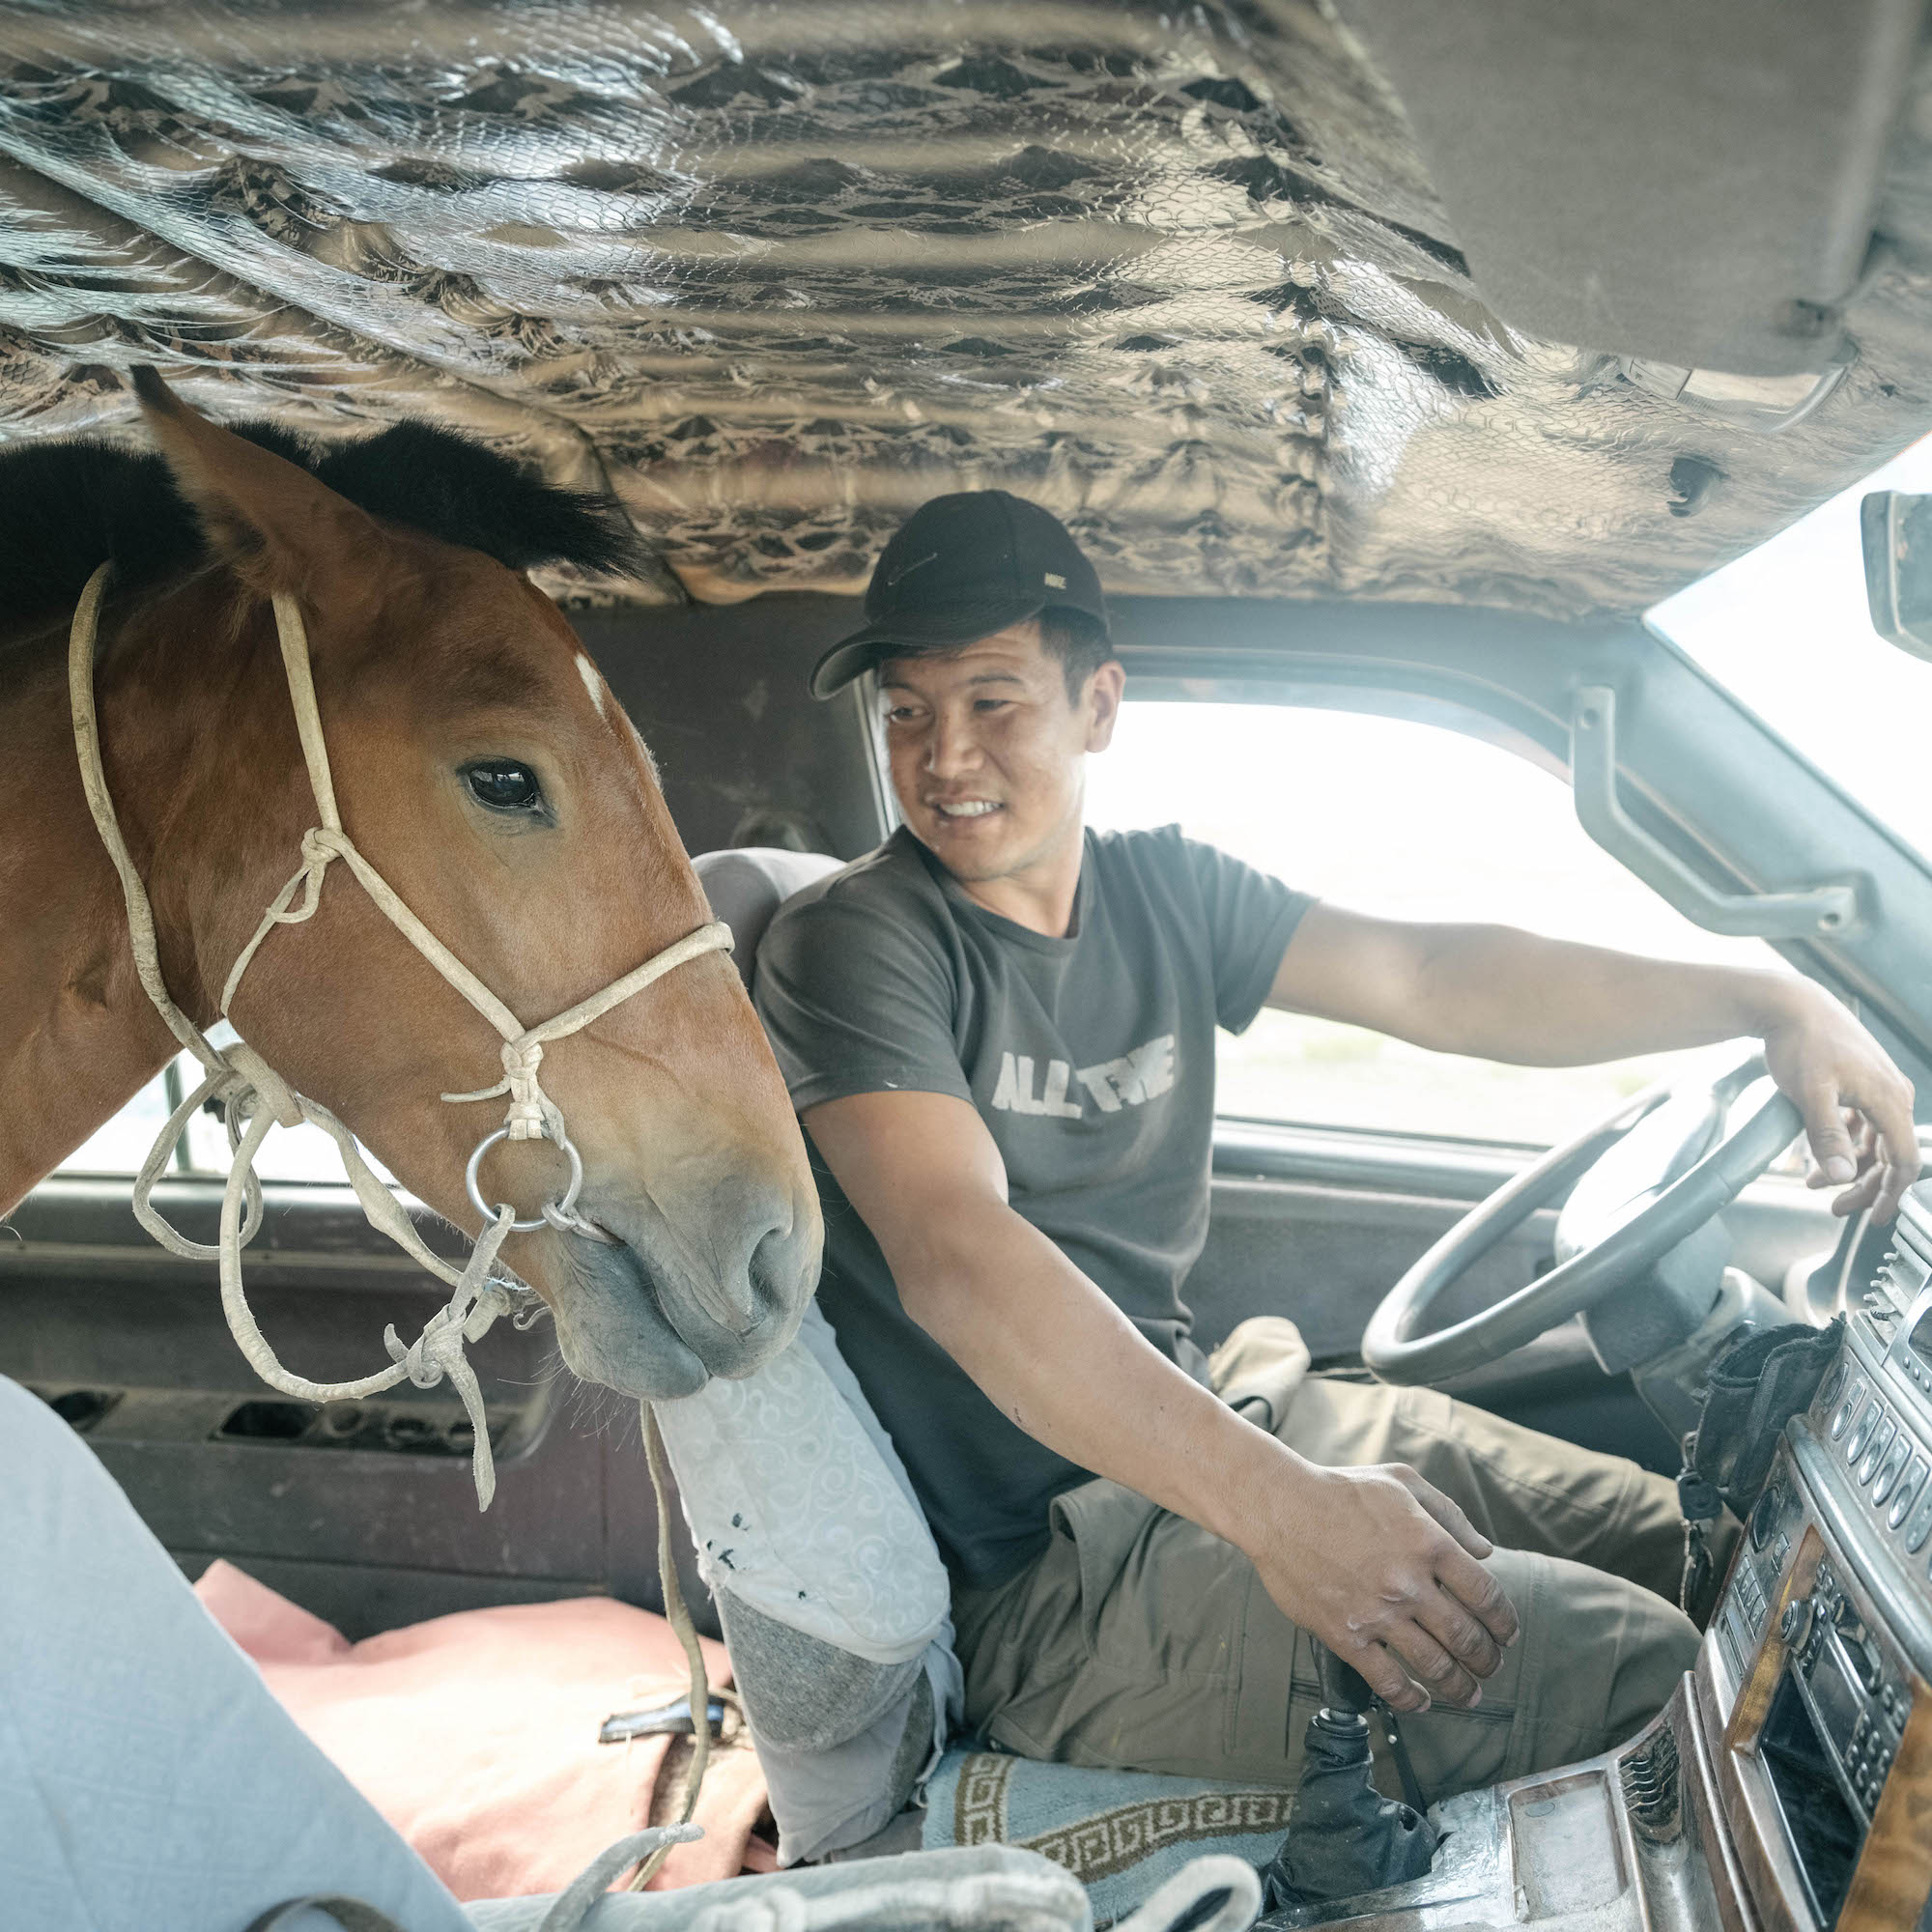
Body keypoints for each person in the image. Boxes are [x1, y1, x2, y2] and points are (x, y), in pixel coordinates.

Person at [753, 489, 1919, 1797]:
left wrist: (1773, 1001)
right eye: (905, 711)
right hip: (1055, 1578)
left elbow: (1429, 975)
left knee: (1707, 1546)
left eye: (991, 701)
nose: (943, 756)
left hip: (1232, 1415)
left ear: (1098, 708)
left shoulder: (1167, 892)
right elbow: (959, 1258)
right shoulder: (855, 943)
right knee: (1641, 1672)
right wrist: (1282, 1510)